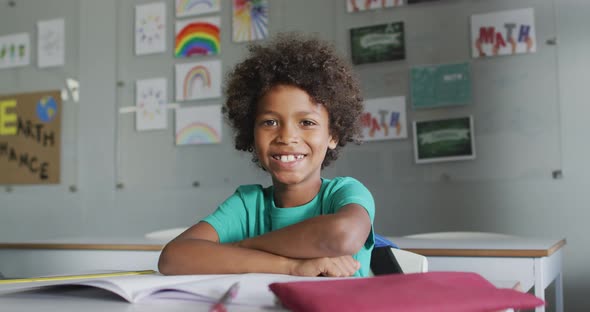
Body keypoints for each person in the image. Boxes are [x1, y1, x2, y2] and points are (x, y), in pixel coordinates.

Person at [158, 33, 375, 277]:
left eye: (306, 122)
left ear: (332, 135)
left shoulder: (344, 193)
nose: (286, 136)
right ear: (251, 133)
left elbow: (342, 235)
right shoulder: (247, 205)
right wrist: (292, 267)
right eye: (270, 122)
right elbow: (173, 258)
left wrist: (243, 246)